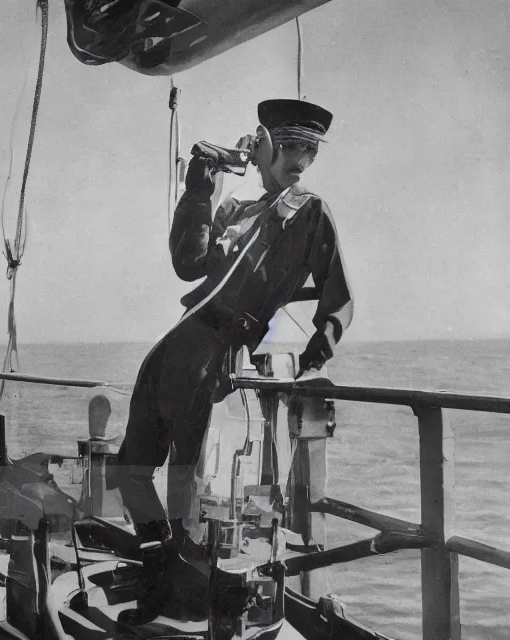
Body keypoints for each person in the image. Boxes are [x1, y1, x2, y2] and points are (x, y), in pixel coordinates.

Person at [110, 98, 354, 624]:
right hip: (180, 341)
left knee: (189, 483)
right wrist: (199, 187)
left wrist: (314, 358)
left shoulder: (308, 212)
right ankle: (157, 564)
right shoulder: (236, 209)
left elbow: (338, 298)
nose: (298, 160)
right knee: (129, 467)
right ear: (263, 144)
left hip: (220, 352)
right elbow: (187, 265)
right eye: (289, 146)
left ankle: (180, 591)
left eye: (308, 150)